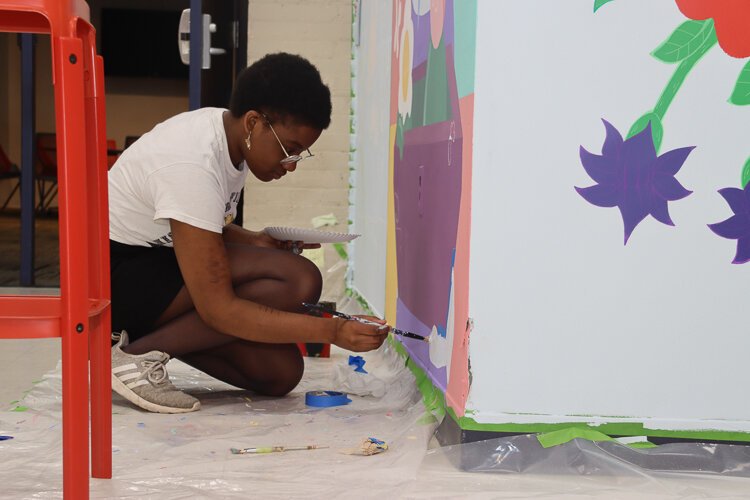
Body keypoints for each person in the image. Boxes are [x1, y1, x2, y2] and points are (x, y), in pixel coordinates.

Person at [108, 53, 388, 414]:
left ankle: (141, 346)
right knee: (296, 279)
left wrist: (254, 241)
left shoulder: (229, 140)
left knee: (280, 373)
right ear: (254, 122)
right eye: (290, 149)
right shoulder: (192, 161)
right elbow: (218, 310)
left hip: (151, 265)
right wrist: (333, 331)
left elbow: (196, 222)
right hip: (115, 281)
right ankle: (135, 357)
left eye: (301, 155)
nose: (291, 165)